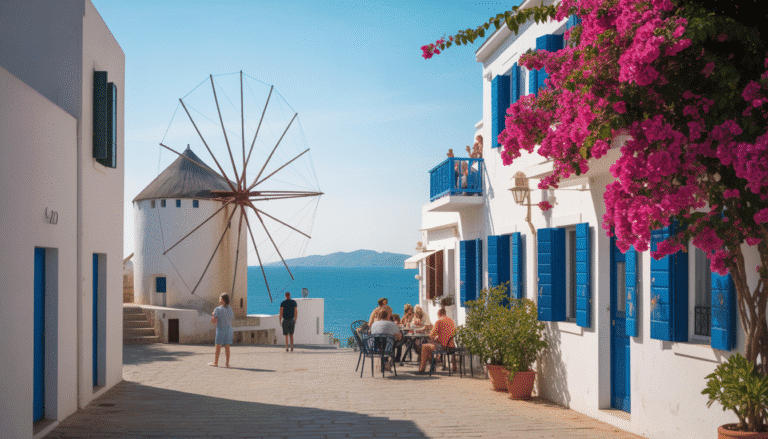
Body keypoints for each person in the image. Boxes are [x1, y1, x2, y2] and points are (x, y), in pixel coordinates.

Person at [418, 308, 456, 373]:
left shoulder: (439, 322)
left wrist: (435, 336)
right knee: (430, 346)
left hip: (443, 347)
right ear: (445, 313)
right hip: (451, 345)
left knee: (425, 346)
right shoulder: (451, 321)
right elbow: (448, 333)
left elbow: (431, 335)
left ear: (438, 314)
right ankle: (433, 363)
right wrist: (438, 336)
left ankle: (422, 369)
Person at [210, 293, 234, 368]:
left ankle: (216, 362)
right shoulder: (230, 309)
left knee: (218, 347)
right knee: (227, 347)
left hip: (220, 329)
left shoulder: (217, 309)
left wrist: (213, 315)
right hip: (229, 329)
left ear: (222, 300)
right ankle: (227, 363)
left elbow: (213, 321)